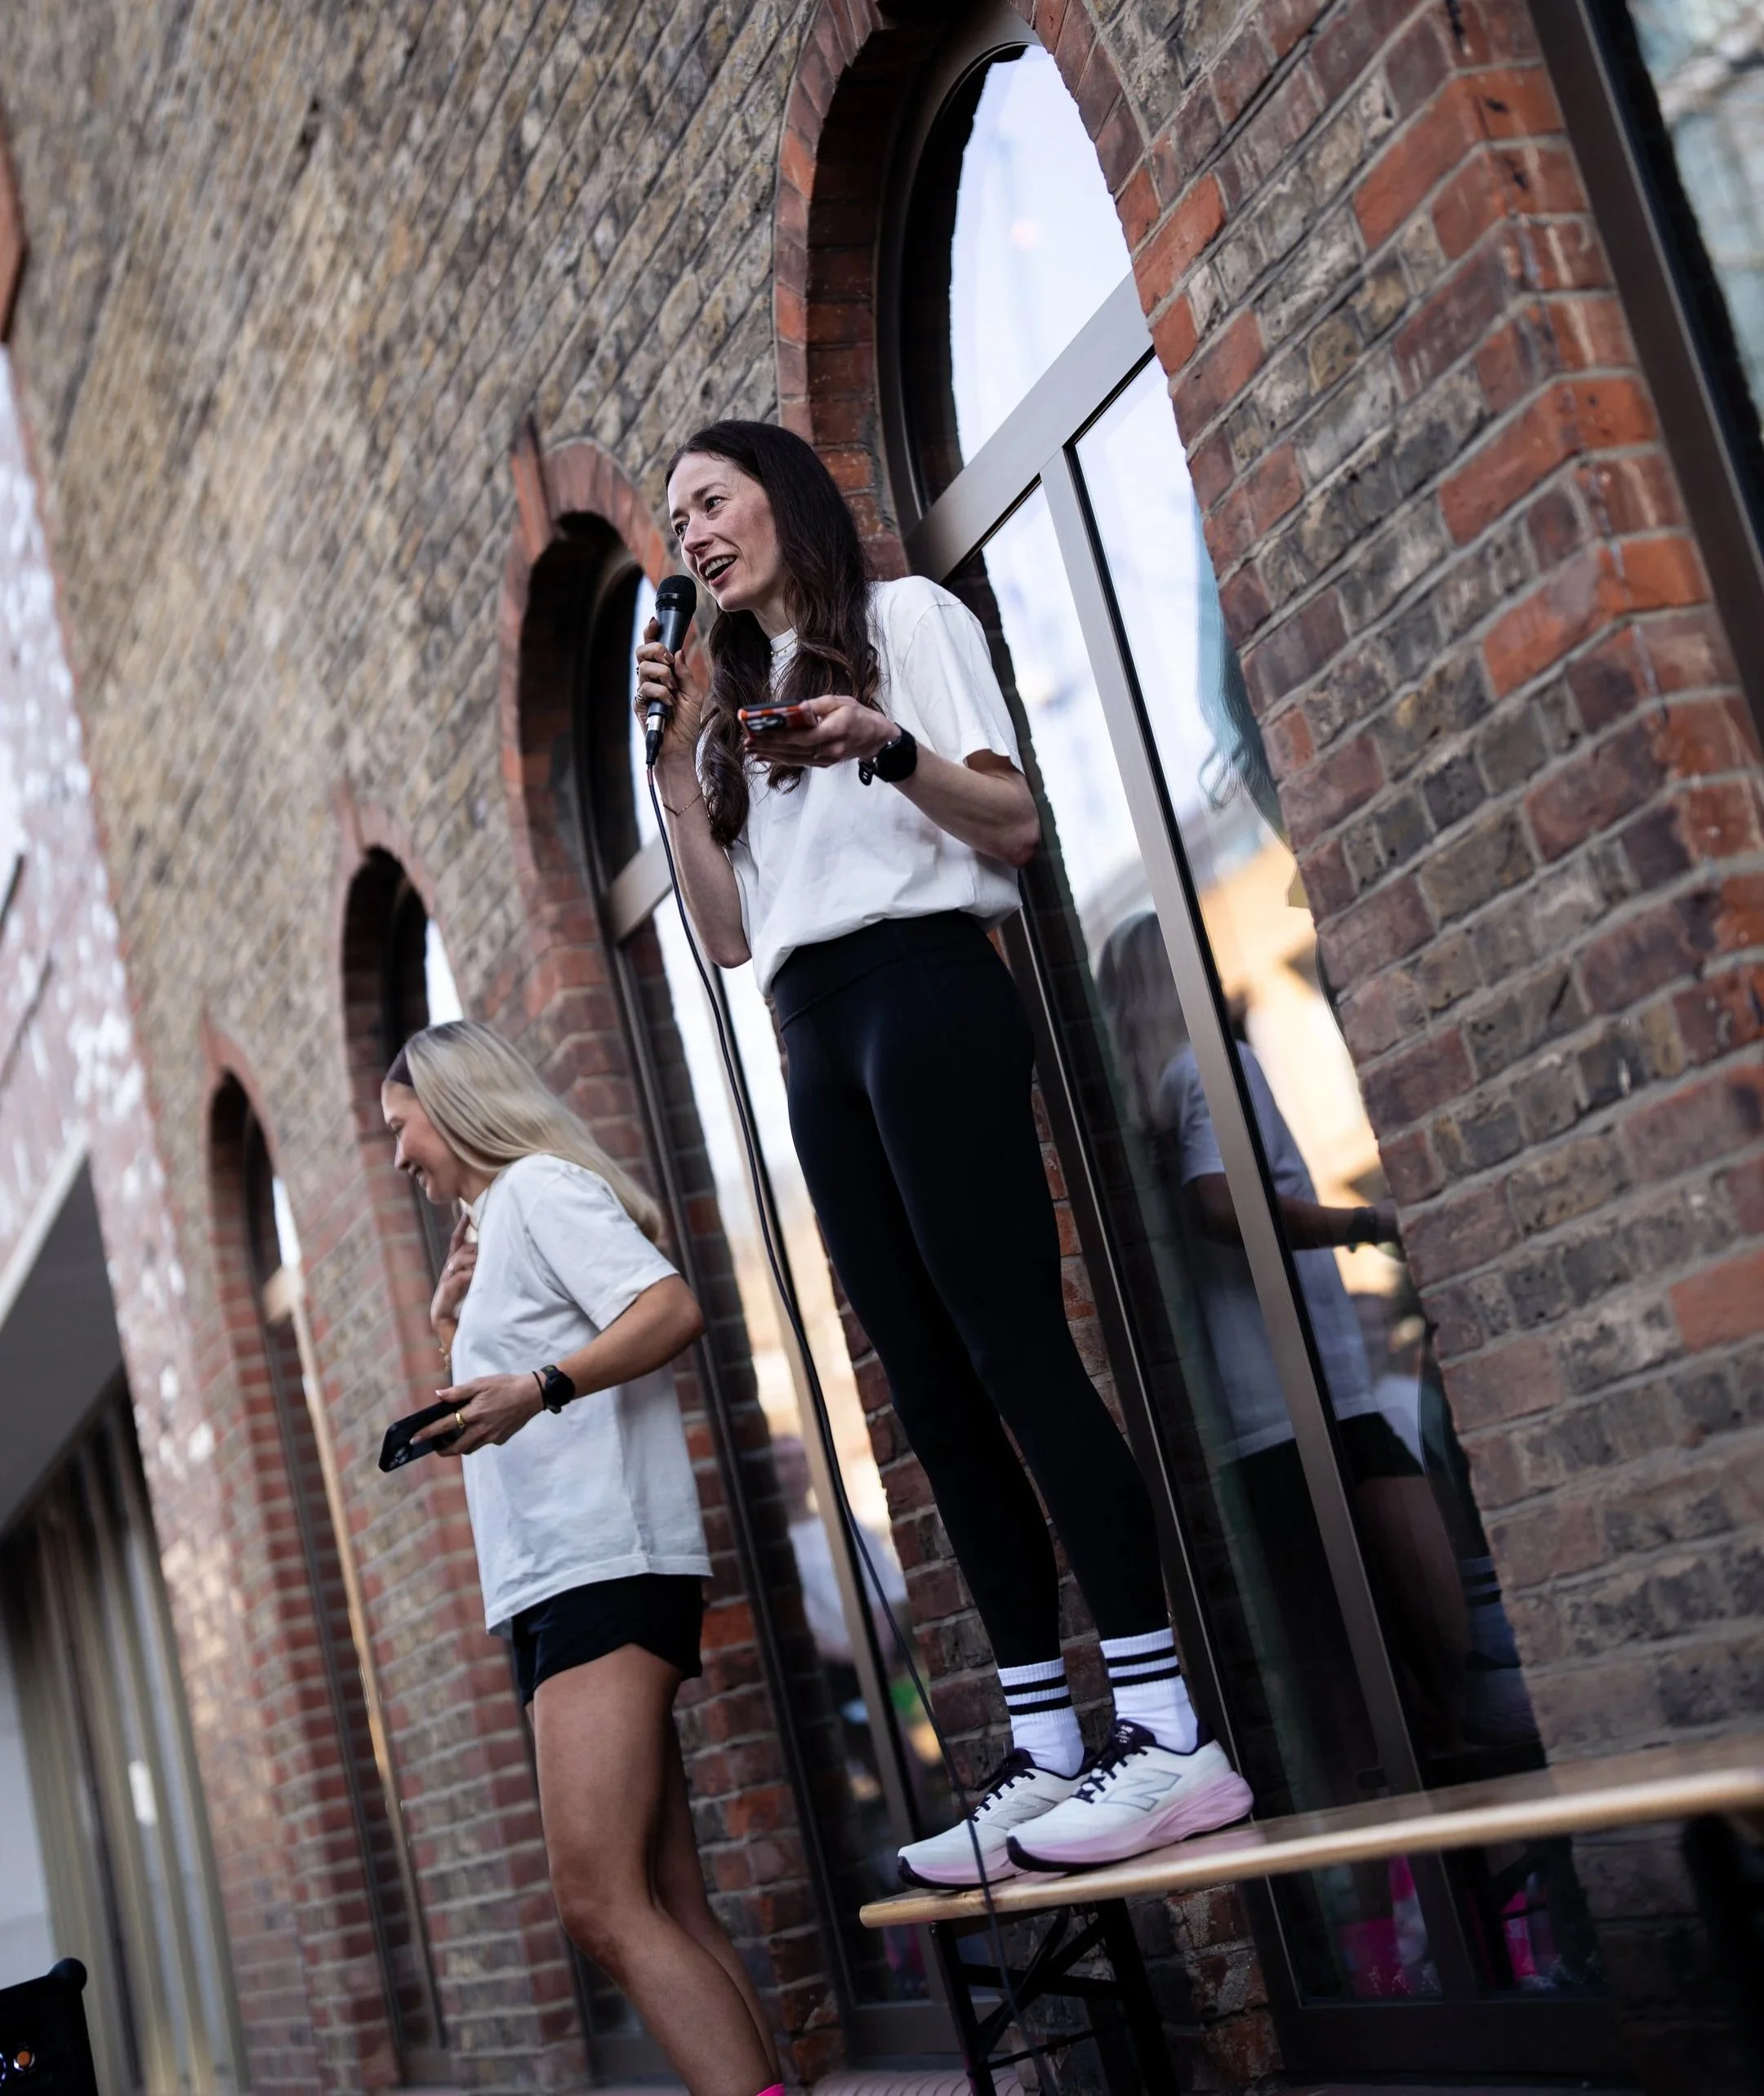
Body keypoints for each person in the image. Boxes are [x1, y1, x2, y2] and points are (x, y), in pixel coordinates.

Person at [633, 419, 1253, 1883]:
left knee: (1018, 1352)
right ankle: (1049, 1750)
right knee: (928, 1390)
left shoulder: (903, 620)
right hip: (811, 1030)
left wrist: (883, 744)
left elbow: (1017, 824)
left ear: (783, 494)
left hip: (926, 988)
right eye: (678, 524)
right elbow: (727, 940)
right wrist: (673, 770)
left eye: (711, 501)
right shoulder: (741, 703)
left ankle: (1171, 1734)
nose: (696, 536)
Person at [381, 1020, 782, 2096]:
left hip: (599, 1571)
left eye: (399, 1125)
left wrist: (539, 1384)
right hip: (566, 1581)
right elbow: (528, 1374)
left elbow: (670, 1307)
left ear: (451, 1104)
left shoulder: (540, 1189)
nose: (397, 1153)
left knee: (597, 1900)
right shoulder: (502, 1221)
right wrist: (462, 1320)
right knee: (664, 1896)